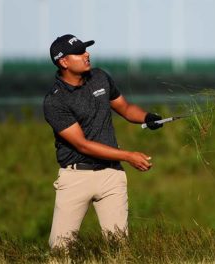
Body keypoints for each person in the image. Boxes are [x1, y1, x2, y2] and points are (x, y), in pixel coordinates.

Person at [43, 34, 163, 249]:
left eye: (85, 50)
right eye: (79, 52)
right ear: (64, 62)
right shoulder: (55, 100)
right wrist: (128, 156)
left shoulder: (100, 77)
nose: (86, 54)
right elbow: (82, 144)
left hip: (111, 176)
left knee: (119, 248)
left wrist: (146, 117)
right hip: (75, 178)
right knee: (60, 250)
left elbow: (125, 108)